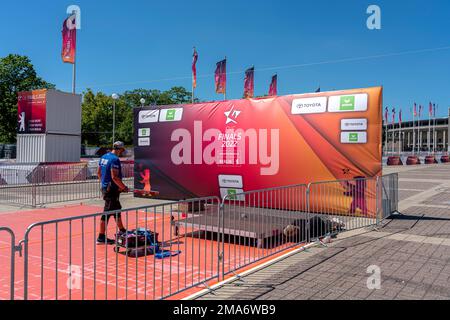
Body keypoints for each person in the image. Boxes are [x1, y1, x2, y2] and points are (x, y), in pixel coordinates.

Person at [97, 141, 129, 245]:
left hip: (107, 188)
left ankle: (122, 230)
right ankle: (101, 237)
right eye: (122, 150)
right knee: (107, 212)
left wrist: (104, 184)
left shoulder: (104, 157)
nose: (122, 153)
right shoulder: (114, 159)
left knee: (116, 209)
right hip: (111, 190)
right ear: (119, 149)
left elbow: (99, 173)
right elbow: (114, 177)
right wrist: (123, 187)